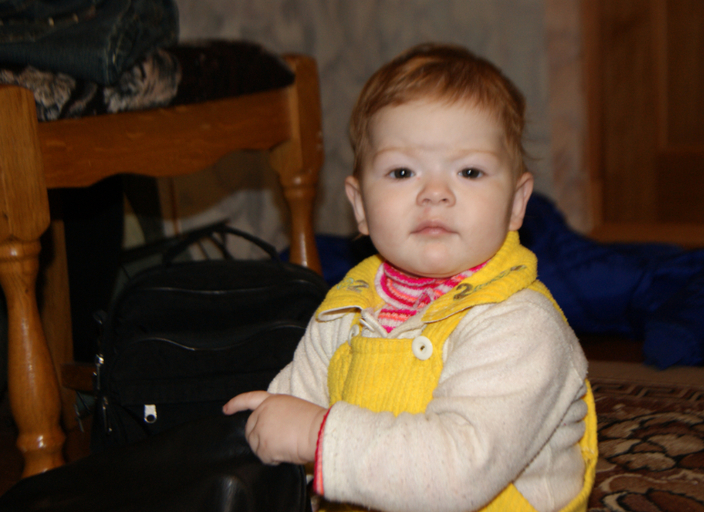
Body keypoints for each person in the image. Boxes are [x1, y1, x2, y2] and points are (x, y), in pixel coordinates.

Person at [224, 43, 597, 512]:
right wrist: (259, 431)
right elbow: (297, 401)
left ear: (517, 204)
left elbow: (459, 474)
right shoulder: (346, 307)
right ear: (360, 206)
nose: (435, 193)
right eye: (402, 171)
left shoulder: (523, 326)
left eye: (469, 171)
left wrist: (316, 436)